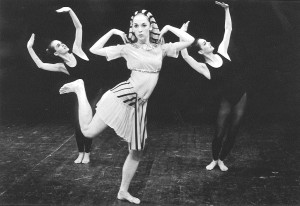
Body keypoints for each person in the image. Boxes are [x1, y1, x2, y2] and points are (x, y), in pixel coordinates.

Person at [59, 9, 194, 204]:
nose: (139, 29)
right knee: (87, 132)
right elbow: (94, 50)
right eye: (136, 25)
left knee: (137, 151)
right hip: (124, 94)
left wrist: (168, 28)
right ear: (132, 28)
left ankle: (123, 191)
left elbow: (189, 41)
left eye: (144, 25)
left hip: (140, 105)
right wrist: (113, 31)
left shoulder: (161, 48)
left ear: (150, 27)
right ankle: (80, 89)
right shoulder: (127, 48)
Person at [180, 1, 247, 171]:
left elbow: (228, 29)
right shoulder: (204, 68)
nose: (208, 43)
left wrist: (226, 9)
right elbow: (186, 56)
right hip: (226, 99)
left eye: (206, 41)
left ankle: (222, 160)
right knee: (219, 131)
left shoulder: (222, 52)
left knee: (233, 131)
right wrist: (182, 35)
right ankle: (214, 159)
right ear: (202, 52)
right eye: (204, 43)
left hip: (240, 95)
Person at [27, 7, 96, 164]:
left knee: (88, 123)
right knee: (78, 124)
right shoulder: (62, 66)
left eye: (61, 42)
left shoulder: (77, 50)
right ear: (56, 53)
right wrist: (29, 48)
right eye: (58, 45)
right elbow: (40, 65)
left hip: (93, 93)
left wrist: (71, 11)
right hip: (79, 95)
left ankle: (88, 153)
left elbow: (79, 27)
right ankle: (80, 153)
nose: (62, 44)